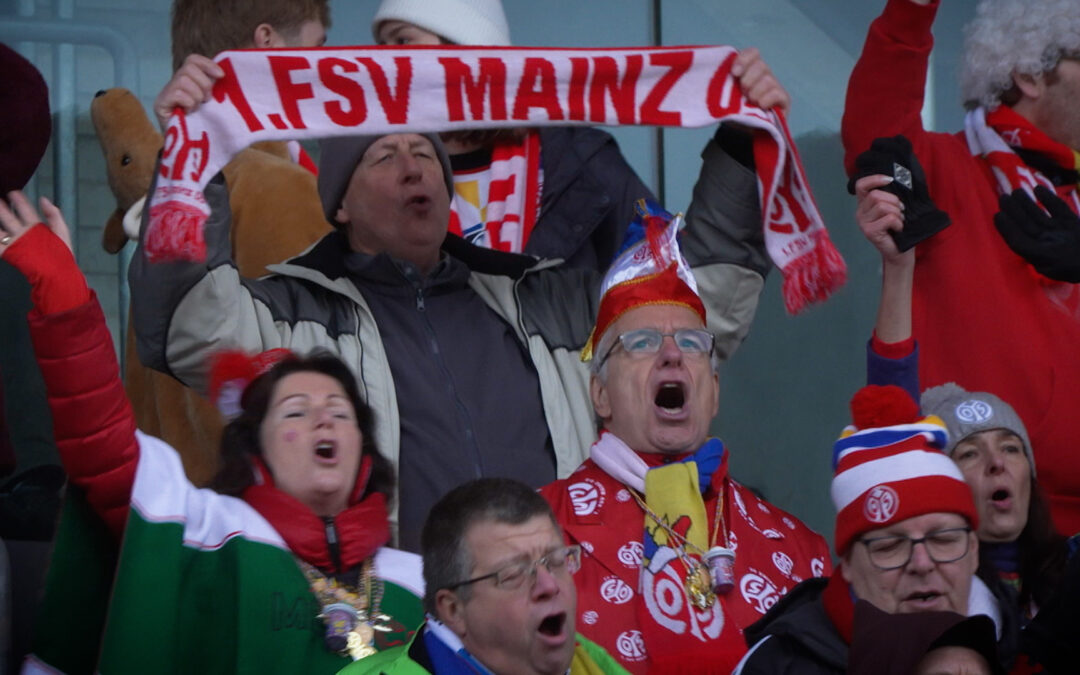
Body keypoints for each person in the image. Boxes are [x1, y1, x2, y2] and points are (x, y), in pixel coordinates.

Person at [130, 58, 782, 556]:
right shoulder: (291, 310)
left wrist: (739, 140)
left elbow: (697, 309)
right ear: (340, 204)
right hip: (398, 628)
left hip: (570, 613)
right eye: (385, 155)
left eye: (426, 154)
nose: (415, 168)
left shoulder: (547, 295)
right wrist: (197, 154)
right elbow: (190, 323)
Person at [0, 193, 423, 672]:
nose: (323, 420)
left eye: (340, 412)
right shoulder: (200, 531)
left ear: (365, 454)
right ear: (255, 453)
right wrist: (65, 301)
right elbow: (102, 448)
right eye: (295, 412)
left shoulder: (421, 585)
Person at [538, 211, 830, 674]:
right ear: (600, 394)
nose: (672, 353)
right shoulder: (534, 534)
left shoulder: (800, 550)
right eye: (642, 341)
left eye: (693, 343)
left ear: (713, 390)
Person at [842, 0, 1080, 535]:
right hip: (969, 523)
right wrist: (912, 10)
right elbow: (875, 133)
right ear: (1028, 74)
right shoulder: (945, 168)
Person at [370, 0, 791, 271]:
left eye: (402, 41)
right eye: (380, 46)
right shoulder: (367, 182)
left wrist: (739, 143)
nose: (381, 63)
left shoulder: (578, 164)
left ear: (465, 50)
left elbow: (680, 292)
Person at [852, 167, 1074, 668]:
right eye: (970, 453)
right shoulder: (922, 595)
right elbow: (890, 408)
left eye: (1012, 449)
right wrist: (899, 269)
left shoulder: (1071, 575)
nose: (997, 464)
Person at [734, 384, 988, 674]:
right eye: (889, 546)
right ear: (849, 564)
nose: (922, 564)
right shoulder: (778, 666)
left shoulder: (1025, 647)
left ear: (974, 551)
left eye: (943, 540)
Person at [342, 478, 629, 674]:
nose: (548, 585)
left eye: (555, 562)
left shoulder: (593, 662)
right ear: (454, 609)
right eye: (514, 574)